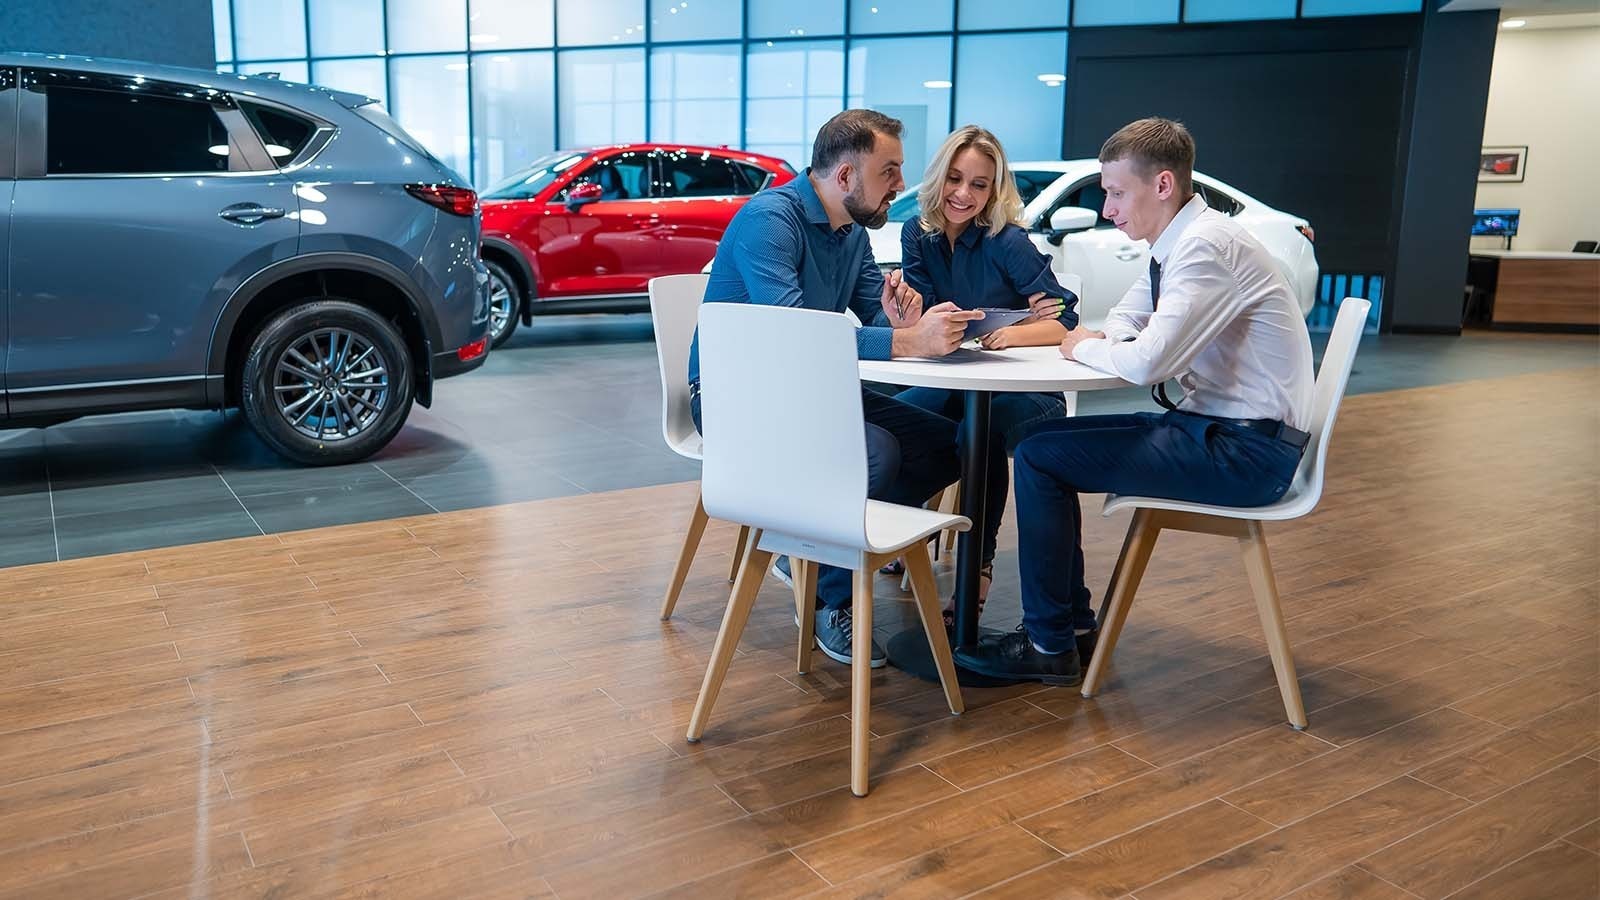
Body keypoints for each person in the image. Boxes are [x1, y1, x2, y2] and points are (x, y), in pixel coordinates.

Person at [954, 117, 1316, 685]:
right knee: (1032, 441)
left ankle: (1050, 644)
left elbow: (1148, 363)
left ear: (1164, 185)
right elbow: (1126, 319)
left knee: (1039, 455)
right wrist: (1103, 341)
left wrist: (1081, 345)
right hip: (1222, 432)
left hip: (1246, 453)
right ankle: (1069, 626)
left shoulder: (1204, 249)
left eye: (1117, 192)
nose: (1108, 208)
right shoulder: (1177, 244)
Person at [686, 109, 984, 668]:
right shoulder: (771, 220)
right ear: (846, 177)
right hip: (734, 399)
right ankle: (829, 596)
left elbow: (875, 311)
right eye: (889, 170)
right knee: (875, 451)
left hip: (812, 391)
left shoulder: (850, 232)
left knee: (951, 443)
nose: (901, 184)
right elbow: (799, 334)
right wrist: (907, 343)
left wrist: (900, 318)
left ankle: (812, 545)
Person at [893, 125, 1081, 623]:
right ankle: (893, 527)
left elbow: (1063, 317)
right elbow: (919, 315)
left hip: (1024, 394)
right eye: (955, 179)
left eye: (979, 184)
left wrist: (1007, 335)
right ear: (938, 178)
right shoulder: (917, 233)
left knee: (982, 432)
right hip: (955, 379)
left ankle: (979, 566)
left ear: (994, 189)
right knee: (895, 416)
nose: (964, 194)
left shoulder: (1007, 240)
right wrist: (908, 319)